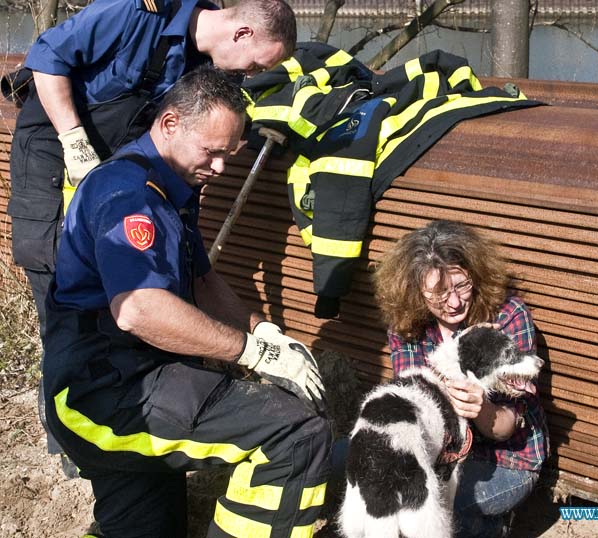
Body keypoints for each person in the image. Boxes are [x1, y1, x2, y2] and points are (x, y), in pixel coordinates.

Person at [42, 66, 330, 538]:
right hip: (105, 391)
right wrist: (251, 353)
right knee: (296, 432)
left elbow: (201, 280)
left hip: (116, 379)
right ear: (171, 124)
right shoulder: (129, 195)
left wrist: (265, 333)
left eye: (228, 155)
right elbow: (139, 309)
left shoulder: (170, 184)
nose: (220, 168)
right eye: (212, 153)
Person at [8, 0, 295, 468]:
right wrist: (74, 141)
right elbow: (47, 55)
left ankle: (138, 416)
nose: (254, 73)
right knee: (59, 280)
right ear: (242, 33)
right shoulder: (140, 11)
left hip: (120, 174)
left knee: (145, 280)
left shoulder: (206, 73)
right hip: (58, 153)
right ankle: (76, 444)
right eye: (259, 63)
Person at [372, 219, 549, 538]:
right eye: (438, 292)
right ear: (415, 292)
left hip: (507, 460)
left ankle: (488, 523)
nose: (454, 303)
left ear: (476, 276)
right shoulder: (406, 326)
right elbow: (417, 407)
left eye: (461, 286)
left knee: (433, 513)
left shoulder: (508, 315)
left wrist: (480, 408)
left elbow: (507, 427)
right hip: (438, 451)